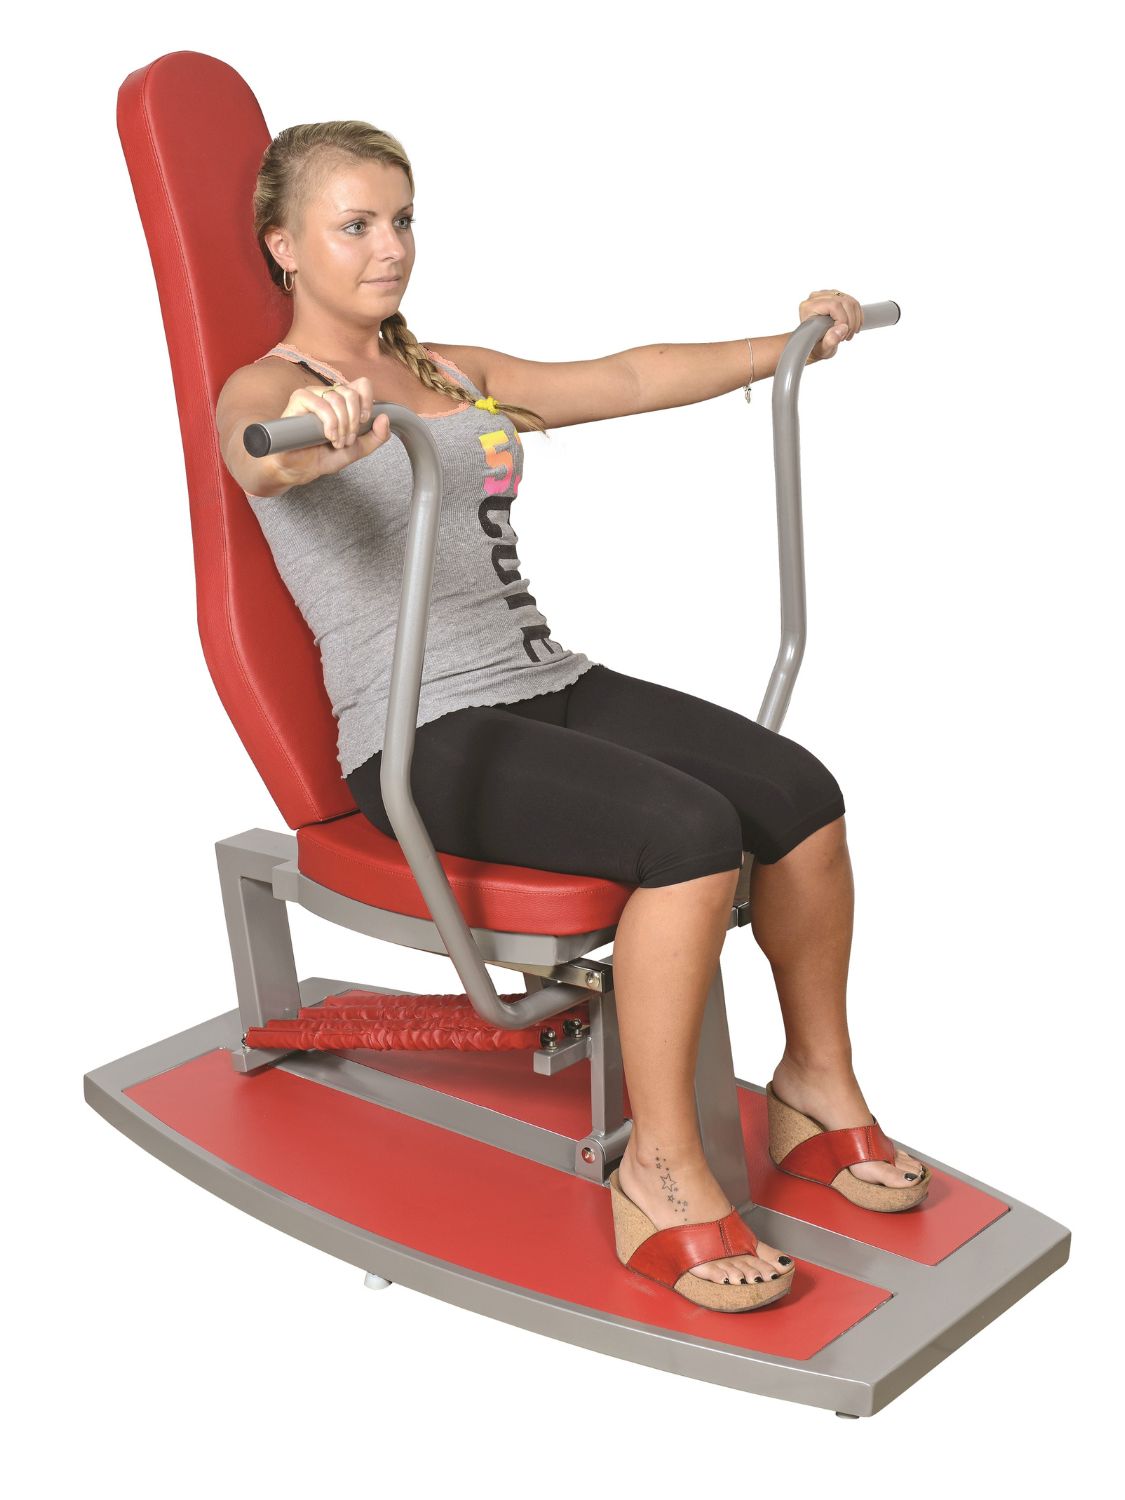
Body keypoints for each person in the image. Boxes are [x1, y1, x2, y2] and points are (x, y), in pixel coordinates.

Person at [216, 120, 928, 1314]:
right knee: (687, 835)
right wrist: (311, 440)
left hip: (545, 679)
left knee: (801, 795)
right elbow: (255, 457)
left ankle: (814, 1087)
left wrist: (793, 342)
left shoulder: (447, 370)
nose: (390, 248)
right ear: (284, 246)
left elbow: (627, 377)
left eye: (402, 220)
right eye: (356, 226)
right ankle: (660, 1171)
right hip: (420, 733)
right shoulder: (273, 390)